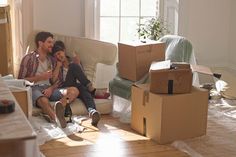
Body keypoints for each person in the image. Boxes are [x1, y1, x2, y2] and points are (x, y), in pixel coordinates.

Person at [18, 32, 79, 128]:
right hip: (34, 88)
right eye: (49, 42)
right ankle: (57, 120)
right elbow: (20, 80)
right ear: (40, 43)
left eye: (52, 42)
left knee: (73, 91)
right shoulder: (28, 58)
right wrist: (40, 77)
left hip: (50, 89)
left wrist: (51, 88)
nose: (52, 45)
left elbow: (58, 80)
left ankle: (58, 109)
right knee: (43, 100)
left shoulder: (52, 60)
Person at [51, 40, 109, 126]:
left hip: (76, 86)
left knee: (83, 88)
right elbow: (53, 81)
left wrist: (79, 65)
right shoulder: (56, 64)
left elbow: (83, 77)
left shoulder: (73, 61)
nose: (59, 56)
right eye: (56, 55)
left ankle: (92, 112)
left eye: (59, 53)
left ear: (64, 50)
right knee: (75, 69)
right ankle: (92, 90)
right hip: (64, 87)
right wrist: (58, 66)